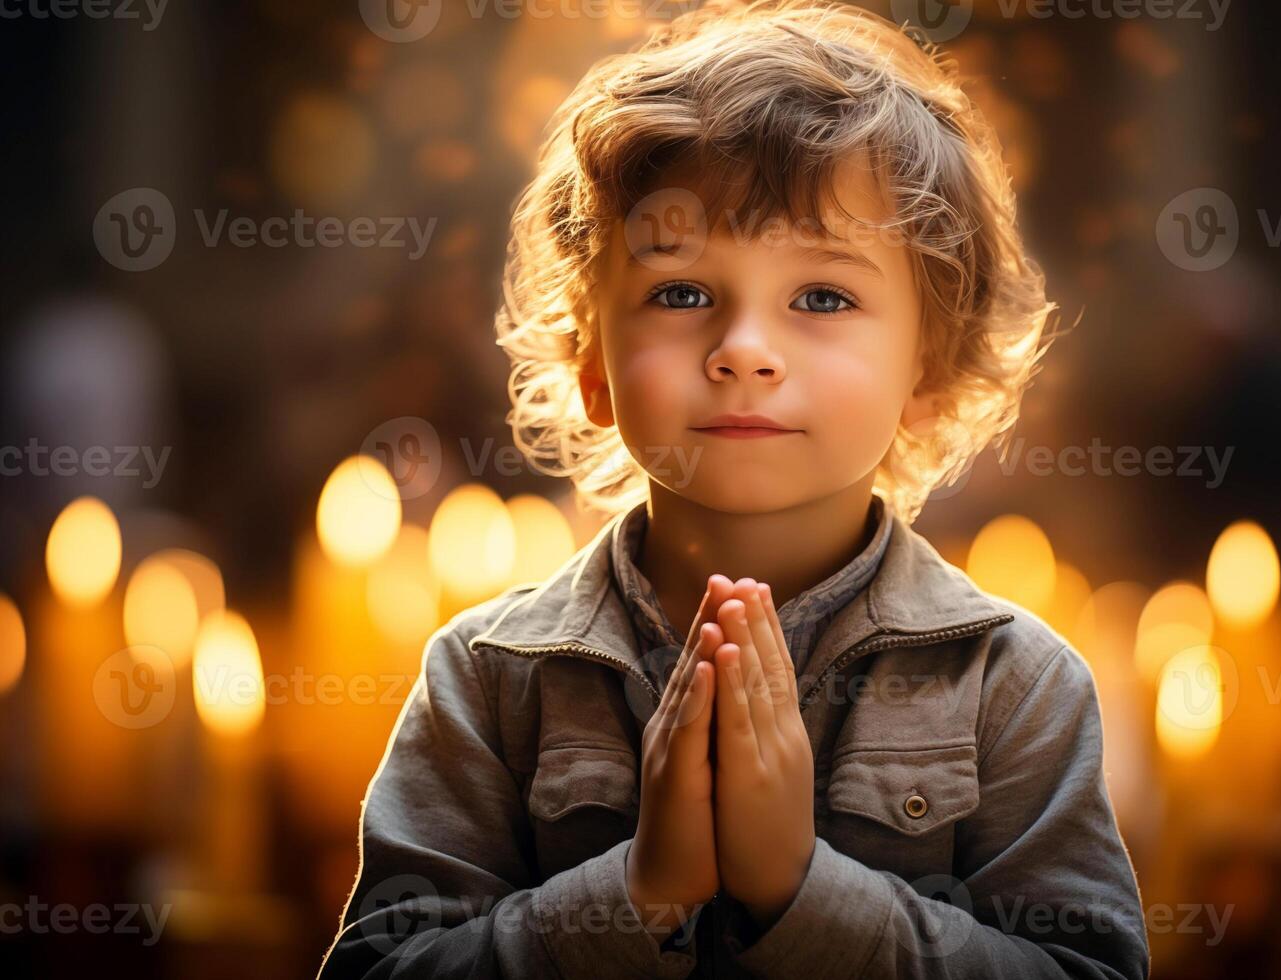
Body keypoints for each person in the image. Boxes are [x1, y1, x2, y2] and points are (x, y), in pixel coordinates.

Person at [319, 1, 1149, 976]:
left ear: (928, 367)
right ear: (591, 354)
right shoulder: (490, 678)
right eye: (679, 293)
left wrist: (803, 885)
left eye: (822, 297)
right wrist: (636, 892)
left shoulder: (1017, 689)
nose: (745, 349)